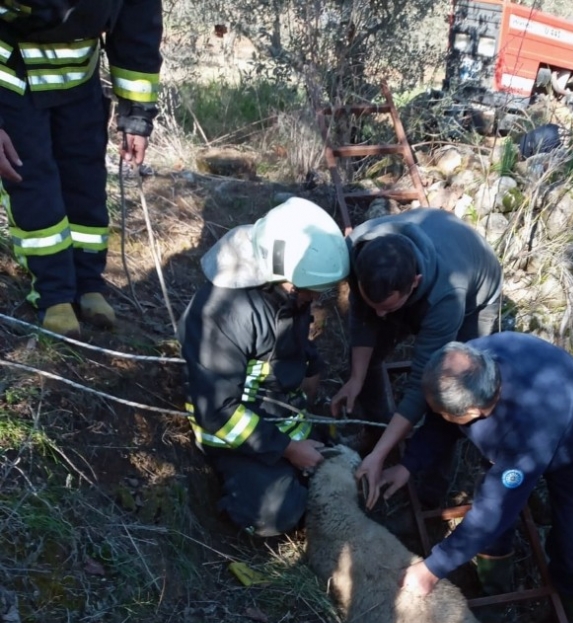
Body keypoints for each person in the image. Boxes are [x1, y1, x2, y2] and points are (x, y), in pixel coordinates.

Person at [378, 335, 573, 623]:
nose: (443, 418)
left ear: (476, 411)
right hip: (529, 429)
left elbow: (494, 510)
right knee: (494, 507)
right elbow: (440, 419)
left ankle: (561, 619)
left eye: (453, 415)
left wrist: (432, 568)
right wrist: (409, 465)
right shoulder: (468, 362)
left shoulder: (526, 429)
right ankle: (494, 588)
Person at [177, 197, 350, 538]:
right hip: (235, 437)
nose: (313, 299)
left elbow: (293, 341)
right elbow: (217, 413)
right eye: (308, 292)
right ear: (282, 273)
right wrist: (288, 449)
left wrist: (312, 368)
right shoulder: (222, 315)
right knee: (276, 512)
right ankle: (237, 505)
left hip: (279, 416)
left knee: (336, 463)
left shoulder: (284, 291)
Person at [0, 1, 163, 337]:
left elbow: (137, 24)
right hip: (12, 74)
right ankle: (54, 294)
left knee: (85, 184)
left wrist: (137, 114)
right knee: (34, 185)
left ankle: (88, 283)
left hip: (80, 78)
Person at [329, 208, 503, 504]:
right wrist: (357, 378)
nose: (379, 316)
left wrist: (379, 457)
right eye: (375, 304)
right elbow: (363, 315)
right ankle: (381, 431)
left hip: (476, 292)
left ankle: (432, 486)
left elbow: (420, 387)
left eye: (389, 308)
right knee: (368, 357)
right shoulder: (358, 251)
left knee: (451, 392)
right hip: (420, 274)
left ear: (415, 282)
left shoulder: (447, 297)